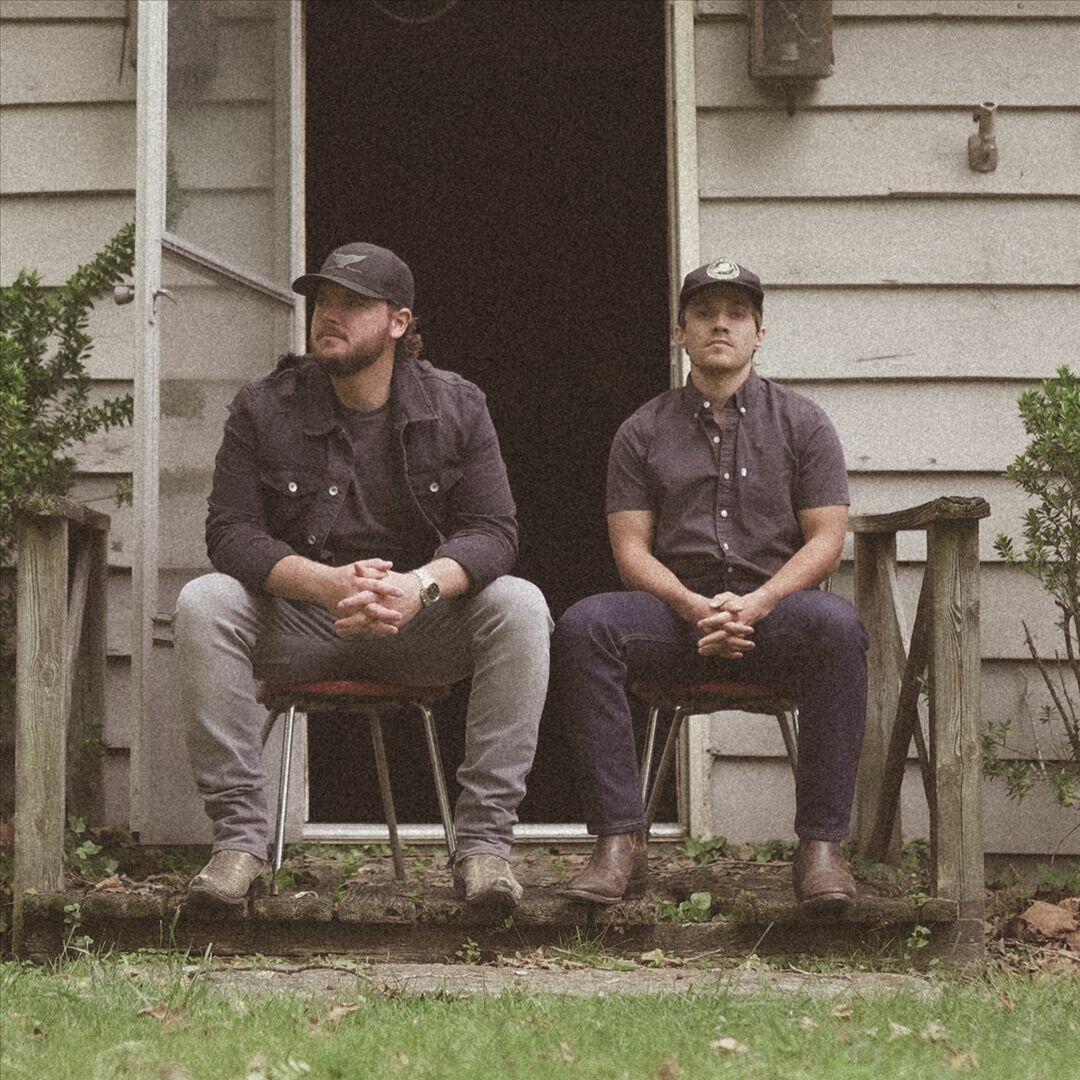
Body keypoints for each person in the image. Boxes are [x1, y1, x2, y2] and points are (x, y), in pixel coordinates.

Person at [175, 243, 551, 912]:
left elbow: (494, 531)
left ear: (399, 323)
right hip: (302, 621)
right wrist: (327, 584)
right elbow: (230, 533)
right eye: (323, 301)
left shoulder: (457, 405)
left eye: (352, 303)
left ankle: (485, 849)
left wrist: (418, 588)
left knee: (520, 605)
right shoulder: (264, 405)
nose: (329, 315)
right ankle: (238, 844)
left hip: (416, 624)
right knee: (205, 601)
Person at [552, 258, 867, 912]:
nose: (720, 325)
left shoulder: (804, 423)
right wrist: (693, 606)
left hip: (775, 616)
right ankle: (619, 842)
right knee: (586, 627)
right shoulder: (642, 430)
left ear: (759, 333)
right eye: (704, 313)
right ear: (680, 332)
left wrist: (760, 602)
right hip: (675, 620)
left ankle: (821, 848)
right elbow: (630, 552)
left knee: (839, 628)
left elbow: (826, 541)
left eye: (737, 314)